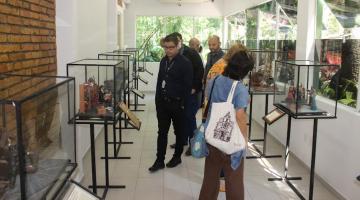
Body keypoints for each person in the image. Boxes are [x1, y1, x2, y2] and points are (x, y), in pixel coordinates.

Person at [199, 50, 254, 200]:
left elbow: (207, 99)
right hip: (231, 141)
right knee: (234, 181)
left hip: (212, 136)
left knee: (210, 177)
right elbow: (240, 116)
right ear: (244, 70)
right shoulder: (240, 89)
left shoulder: (214, 80)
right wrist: (244, 141)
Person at [149, 34, 193, 172]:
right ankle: (159, 160)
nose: (168, 50)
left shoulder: (185, 63)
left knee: (179, 133)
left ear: (178, 46)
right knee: (162, 132)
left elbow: (187, 87)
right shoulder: (163, 61)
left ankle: (177, 156)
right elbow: (159, 81)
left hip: (178, 104)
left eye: (171, 48)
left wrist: (183, 105)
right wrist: (157, 101)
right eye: (166, 47)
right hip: (163, 104)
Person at [169, 32, 204, 156]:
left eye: (176, 41)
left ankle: (193, 143)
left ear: (181, 41)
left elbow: (200, 71)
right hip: (179, 92)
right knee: (181, 117)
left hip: (191, 91)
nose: (175, 44)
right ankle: (182, 141)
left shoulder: (192, 53)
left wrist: (194, 87)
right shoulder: (173, 54)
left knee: (189, 117)